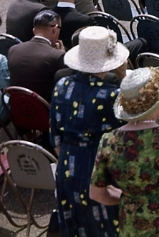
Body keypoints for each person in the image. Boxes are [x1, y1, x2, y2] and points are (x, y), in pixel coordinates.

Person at [90, 65, 159, 236]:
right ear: (156, 104)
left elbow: (97, 193)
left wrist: (128, 198)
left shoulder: (108, 141)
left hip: (133, 226)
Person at [51, 26, 130, 237]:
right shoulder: (111, 96)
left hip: (68, 164)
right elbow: (130, 133)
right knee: (107, 226)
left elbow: (56, 138)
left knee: (79, 227)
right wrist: (123, 76)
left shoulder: (61, 86)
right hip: (100, 169)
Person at [6, 9, 65, 100]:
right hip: (45, 110)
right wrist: (64, 56)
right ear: (55, 29)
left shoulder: (13, 50)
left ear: (34, 30)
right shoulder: (57, 56)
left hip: (16, 108)